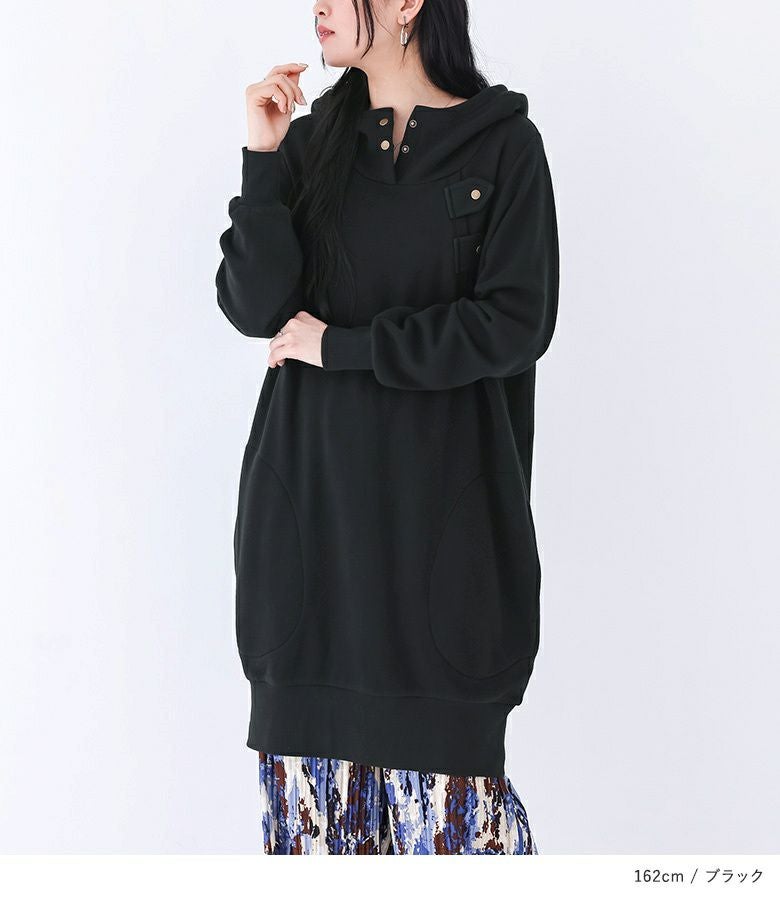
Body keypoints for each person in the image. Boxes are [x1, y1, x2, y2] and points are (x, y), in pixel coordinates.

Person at [215, 0, 558, 855]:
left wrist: (345, 346)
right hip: (311, 545)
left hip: (443, 558)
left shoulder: (503, 148)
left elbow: (514, 324)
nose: (318, 7)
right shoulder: (310, 147)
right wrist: (263, 159)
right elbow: (256, 307)